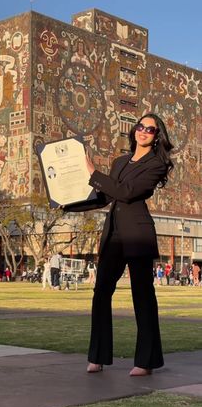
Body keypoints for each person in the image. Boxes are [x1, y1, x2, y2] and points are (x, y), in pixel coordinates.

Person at [64, 113, 174, 376]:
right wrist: (66, 203)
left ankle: (146, 361)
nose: (143, 131)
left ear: (156, 136)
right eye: (140, 126)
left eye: (150, 129)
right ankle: (98, 356)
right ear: (134, 130)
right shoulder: (120, 162)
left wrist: (93, 172)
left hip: (137, 234)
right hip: (113, 233)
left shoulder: (156, 164)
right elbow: (104, 196)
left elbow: (126, 193)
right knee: (101, 292)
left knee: (143, 296)